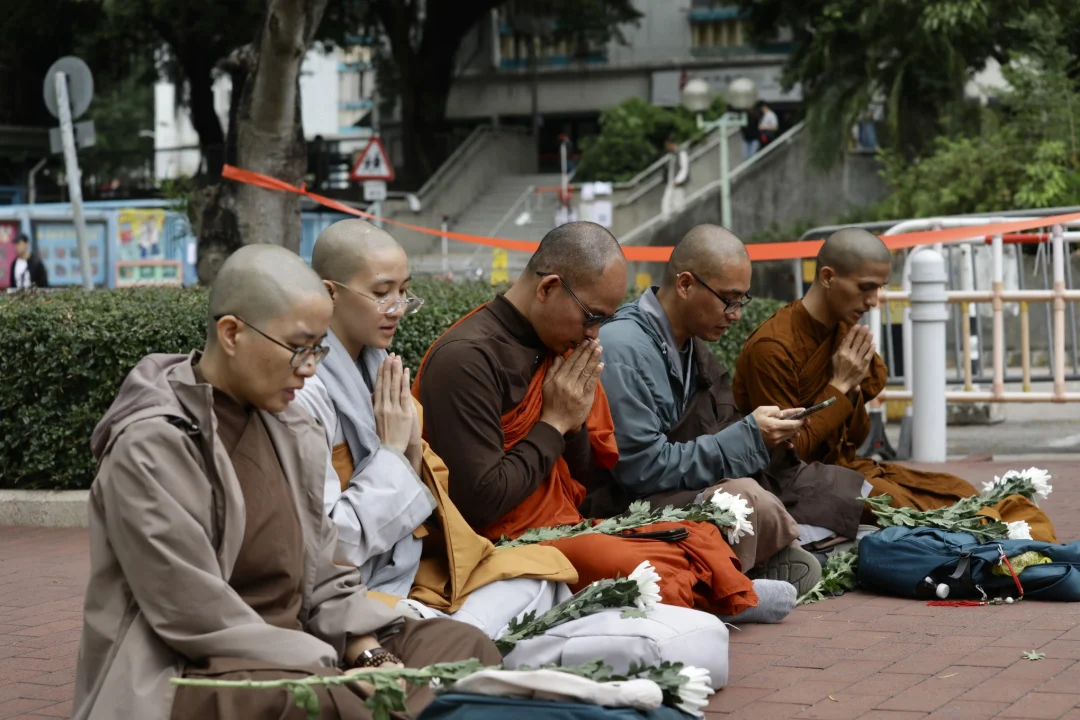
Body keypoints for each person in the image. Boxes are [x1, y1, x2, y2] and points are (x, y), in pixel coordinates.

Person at [73, 245, 501, 720]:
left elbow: (324, 574)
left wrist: (366, 652)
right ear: (232, 333)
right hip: (199, 666)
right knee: (333, 703)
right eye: (299, 347)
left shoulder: (291, 426)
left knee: (463, 648)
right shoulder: (151, 445)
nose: (311, 367)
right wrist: (329, 667)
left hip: (310, 646)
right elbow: (191, 613)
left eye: (319, 348)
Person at [415, 221, 786, 620]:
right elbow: (481, 504)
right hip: (500, 542)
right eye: (591, 317)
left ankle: (717, 592)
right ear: (547, 288)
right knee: (633, 562)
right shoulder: (467, 360)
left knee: (689, 536)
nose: (595, 336)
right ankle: (720, 597)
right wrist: (554, 424)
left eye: (602, 321)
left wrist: (573, 426)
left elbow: (581, 477)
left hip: (565, 525)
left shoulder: (558, 342)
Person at [295, 219, 577, 639]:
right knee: (476, 628)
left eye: (404, 291)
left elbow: (425, 496)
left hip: (404, 565)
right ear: (329, 292)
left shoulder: (378, 370)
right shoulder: (305, 393)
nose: (398, 307)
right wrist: (393, 453)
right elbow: (328, 546)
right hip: (346, 591)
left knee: (544, 578)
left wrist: (408, 453)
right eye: (380, 292)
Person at [732, 228, 1056, 542]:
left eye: (880, 288)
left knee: (958, 491)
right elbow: (786, 454)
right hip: (792, 484)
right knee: (924, 510)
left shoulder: (843, 330)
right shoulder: (773, 348)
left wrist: (852, 389)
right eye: (865, 287)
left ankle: (1020, 537)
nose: (874, 300)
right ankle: (1011, 543)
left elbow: (854, 438)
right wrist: (841, 385)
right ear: (828, 277)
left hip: (843, 469)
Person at [597, 225, 870, 563]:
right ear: (685, 284)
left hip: (693, 481)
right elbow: (642, 470)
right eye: (729, 299)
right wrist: (749, 436)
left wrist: (766, 434)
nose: (737, 314)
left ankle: (782, 553)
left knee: (838, 485)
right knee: (745, 499)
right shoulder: (623, 349)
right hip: (632, 504)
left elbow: (722, 424)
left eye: (742, 300)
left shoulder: (690, 345)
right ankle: (747, 576)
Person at [661, 136, 690, 216]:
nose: (667, 147)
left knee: (678, 201)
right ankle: (667, 218)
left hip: (677, 182)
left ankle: (679, 217)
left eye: (668, 145)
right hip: (671, 182)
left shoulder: (681, 153)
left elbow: (684, 168)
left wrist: (678, 180)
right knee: (667, 201)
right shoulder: (672, 155)